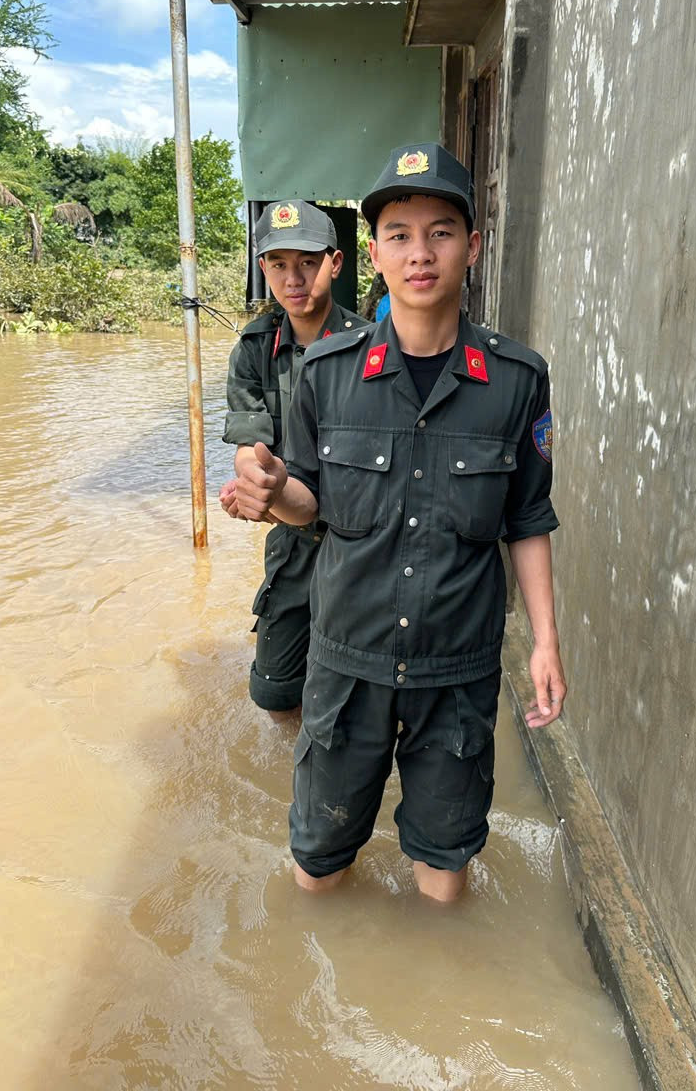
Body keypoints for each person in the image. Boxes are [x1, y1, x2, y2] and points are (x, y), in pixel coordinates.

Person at [233, 146, 566, 902]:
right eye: (402, 234)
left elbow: (528, 517)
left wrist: (545, 641)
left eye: (442, 232)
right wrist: (275, 488)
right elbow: (307, 505)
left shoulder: (518, 379)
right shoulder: (328, 372)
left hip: (459, 665)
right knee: (318, 869)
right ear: (374, 255)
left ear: (472, 248)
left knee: (445, 878)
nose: (422, 252)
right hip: (348, 660)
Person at [220, 199, 367, 722]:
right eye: (279, 264)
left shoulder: (368, 347)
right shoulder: (254, 349)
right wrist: (254, 486)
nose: (293, 278)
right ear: (263, 270)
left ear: (335, 262)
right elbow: (248, 444)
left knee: (360, 692)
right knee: (276, 697)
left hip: (361, 538)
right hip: (295, 534)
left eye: (306, 261)